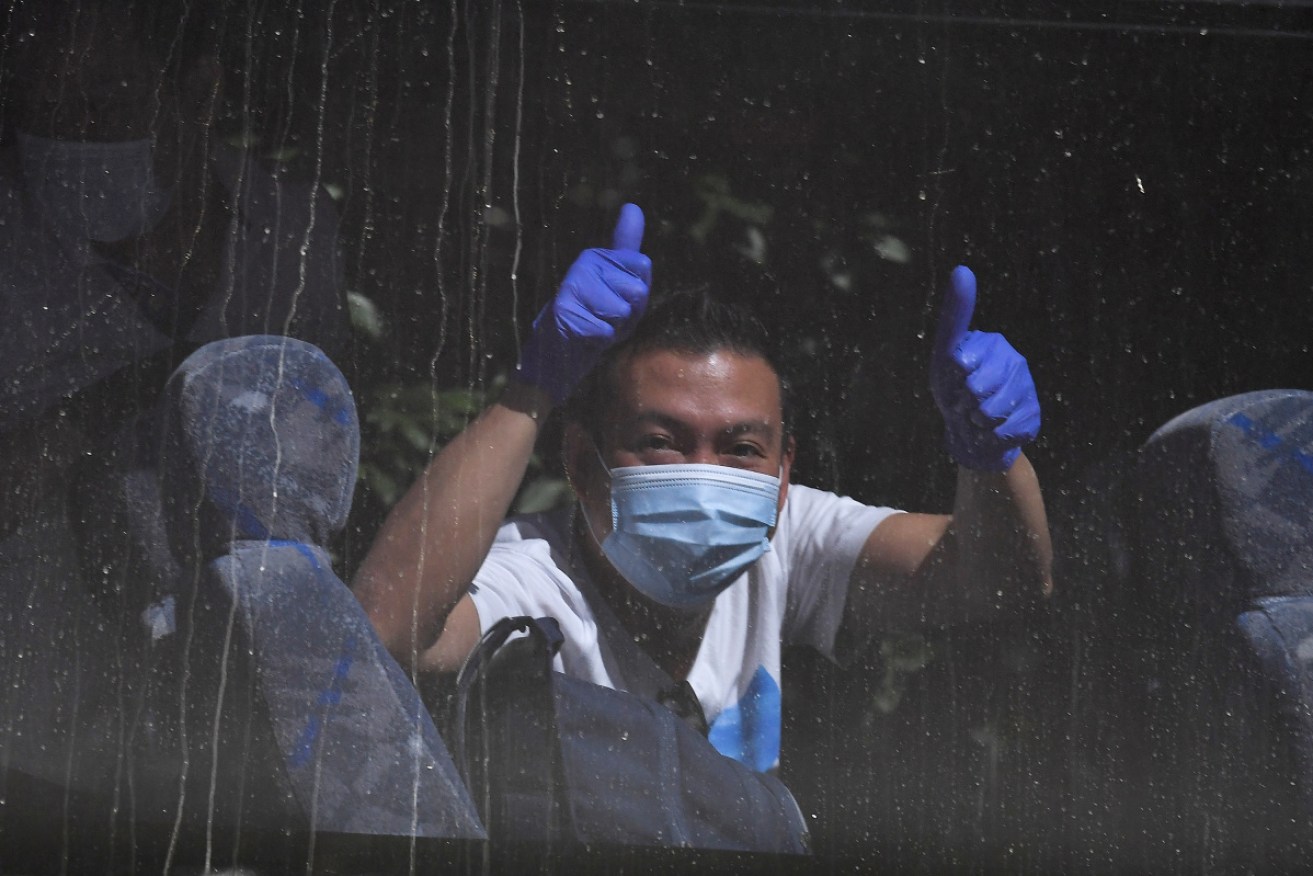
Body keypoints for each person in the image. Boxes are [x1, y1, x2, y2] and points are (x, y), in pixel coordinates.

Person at [353, 203, 1051, 771]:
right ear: (581, 462)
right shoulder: (530, 580)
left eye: (742, 448)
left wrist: (991, 458)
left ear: (783, 475)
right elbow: (385, 632)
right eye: (661, 442)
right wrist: (530, 393)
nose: (707, 473)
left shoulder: (788, 542)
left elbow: (995, 580)